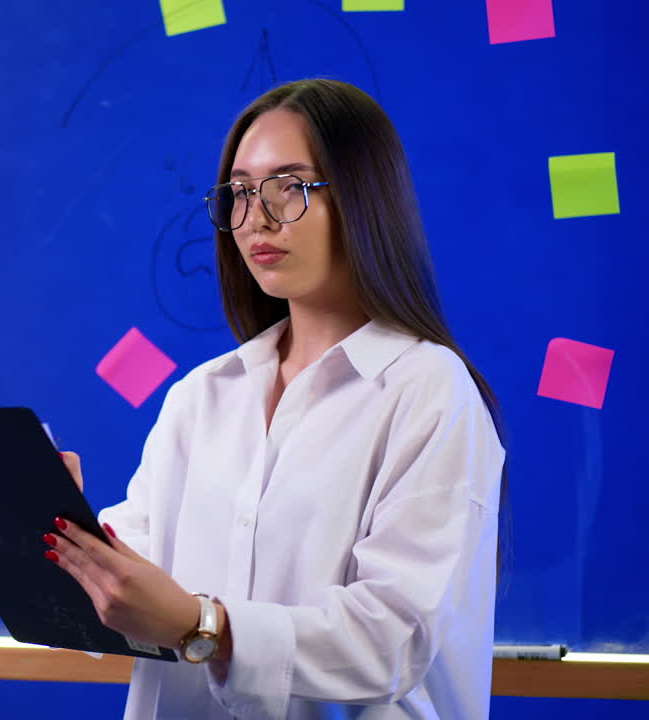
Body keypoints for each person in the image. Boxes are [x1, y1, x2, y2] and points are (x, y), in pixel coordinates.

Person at [42, 78, 507, 719]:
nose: (256, 218)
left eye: (290, 186)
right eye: (239, 192)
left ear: (362, 196)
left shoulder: (429, 390)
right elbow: (129, 598)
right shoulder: (201, 397)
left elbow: (393, 639)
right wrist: (59, 534)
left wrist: (201, 625)